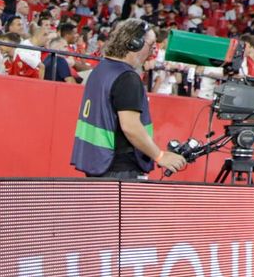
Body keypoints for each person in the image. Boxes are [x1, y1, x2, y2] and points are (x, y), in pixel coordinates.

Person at [70, 18, 187, 181]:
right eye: (151, 44)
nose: (153, 51)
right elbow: (131, 127)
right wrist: (160, 156)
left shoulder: (102, 69)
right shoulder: (127, 78)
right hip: (119, 169)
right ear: (134, 43)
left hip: (99, 163)